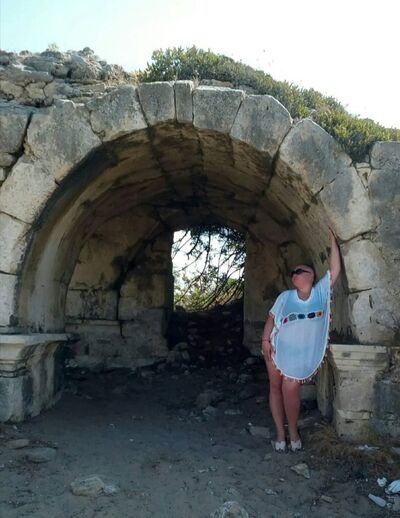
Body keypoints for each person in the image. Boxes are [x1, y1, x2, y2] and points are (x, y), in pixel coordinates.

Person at [261, 228, 341, 452]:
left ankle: (293, 432)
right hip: (276, 348)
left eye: (299, 270)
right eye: (293, 272)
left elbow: (335, 270)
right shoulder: (285, 296)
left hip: (300, 356)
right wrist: (265, 341)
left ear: (311, 276)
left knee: (291, 389)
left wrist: (333, 240)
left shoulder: (320, 293)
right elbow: (271, 318)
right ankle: (280, 434)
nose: (294, 273)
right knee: (275, 388)